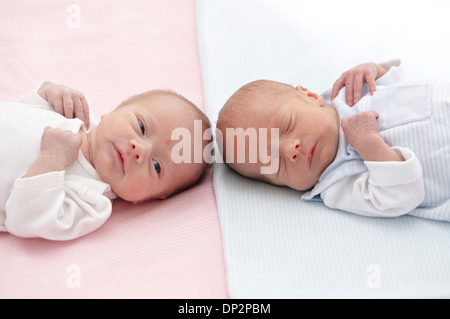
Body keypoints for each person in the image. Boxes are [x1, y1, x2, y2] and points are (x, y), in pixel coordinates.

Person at [216, 60, 450, 222]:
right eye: (276, 165)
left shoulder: (349, 92)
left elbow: (399, 84)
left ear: (309, 96)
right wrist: (369, 145)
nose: (290, 150)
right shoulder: (337, 186)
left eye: (286, 125)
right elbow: (402, 196)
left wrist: (374, 70)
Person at [0, 81, 212, 240]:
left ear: (147, 198)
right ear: (116, 109)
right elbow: (22, 107)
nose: (141, 150)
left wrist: (52, 160)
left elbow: (24, 220)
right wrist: (48, 92)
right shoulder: (73, 112)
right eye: (141, 127)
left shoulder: (91, 201)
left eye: (157, 166)